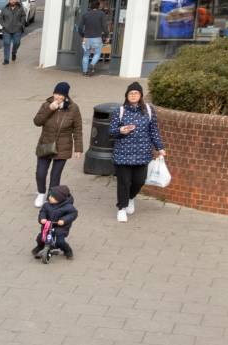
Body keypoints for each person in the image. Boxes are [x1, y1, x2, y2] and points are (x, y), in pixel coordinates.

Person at [110, 82, 164, 223]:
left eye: (136, 93)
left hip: (143, 153)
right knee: (124, 182)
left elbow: (154, 131)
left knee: (139, 181)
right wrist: (121, 130)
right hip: (123, 153)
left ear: (140, 96)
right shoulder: (119, 111)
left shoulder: (149, 110)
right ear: (127, 96)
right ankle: (122, 208)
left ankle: (131, 198)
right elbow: (112, 131)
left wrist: (160, 147)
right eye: (131, 93)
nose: (133, 95)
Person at [32, 82, 82, 207]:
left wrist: (78, 148)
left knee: (55, 175)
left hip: (63, 146)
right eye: (56, 93)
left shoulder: (73, 108)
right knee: (40, 173)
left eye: (61, 95)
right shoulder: (46, 105)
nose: (58, 97)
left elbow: (77, 129)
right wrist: (50, 109)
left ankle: (51, 197)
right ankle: (41, 193)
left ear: (66, 96)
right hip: (46, 144)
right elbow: (37, 122)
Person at [35, 184, 78, 258]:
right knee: (41, 238)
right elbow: (43, 212)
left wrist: (63, 220)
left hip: (61, 227)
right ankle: (40, 247)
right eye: (50, 196)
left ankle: (67, 250)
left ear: (60, 199)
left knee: (60, 241)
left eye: (52, 197)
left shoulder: (68, 207)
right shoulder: (47, 205)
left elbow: (72, 214)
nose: (50, 198)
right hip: (48, 225)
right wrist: (42, 218)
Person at [79, 1, 108, 76]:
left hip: (87, 38)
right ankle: (92, 64)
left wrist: (83, 36)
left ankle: (85, 72)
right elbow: (105, 26)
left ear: (91, 6)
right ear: (98, 6)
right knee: (97, 53)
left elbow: (80, 28)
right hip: (97, 38)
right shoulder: (101, 14)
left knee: (86, 55)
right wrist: (107, 35)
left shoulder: (85, 14)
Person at [0, 0, 28, 64]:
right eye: (11, 0)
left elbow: (23, 16)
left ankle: (14, 52)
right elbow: (0, 19)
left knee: (17, 42)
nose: (13, 1)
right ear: (9, 0)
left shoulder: (20, 8)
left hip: (17, 29)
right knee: (6, 43)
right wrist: (5, 25)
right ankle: (6, 59)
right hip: (6, 30)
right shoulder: (4, 8)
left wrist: (20, 24)